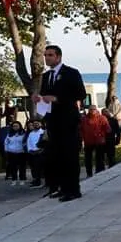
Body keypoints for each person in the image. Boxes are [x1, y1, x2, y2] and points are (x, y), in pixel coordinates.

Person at [33, 45, 86, 201]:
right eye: (45, 55)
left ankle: (73, 189)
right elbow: (44, 95)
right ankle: (61, 187)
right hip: (53, 121)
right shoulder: (47, 75)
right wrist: (38, 98)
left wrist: (58, 99)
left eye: (50, 55)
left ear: (58, 56)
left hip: (68, 120)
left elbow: (80, 93)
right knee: (57, 156)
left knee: (69, 156)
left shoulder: (71, 73)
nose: (47, 58)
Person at [79, 106, 109, 177]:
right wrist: (82, 138)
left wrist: (102, 135)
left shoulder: (102, 118)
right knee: (88, 159)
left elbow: (107, 128)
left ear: (96, 110)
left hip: (99, 141)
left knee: (100, 158)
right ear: (88, 110)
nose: (92, 111)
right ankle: (89, 173)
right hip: (88, 142)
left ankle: (100, 172)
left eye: (94, 109)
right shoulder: (84, 119)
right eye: (91, 109)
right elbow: (80, 129)